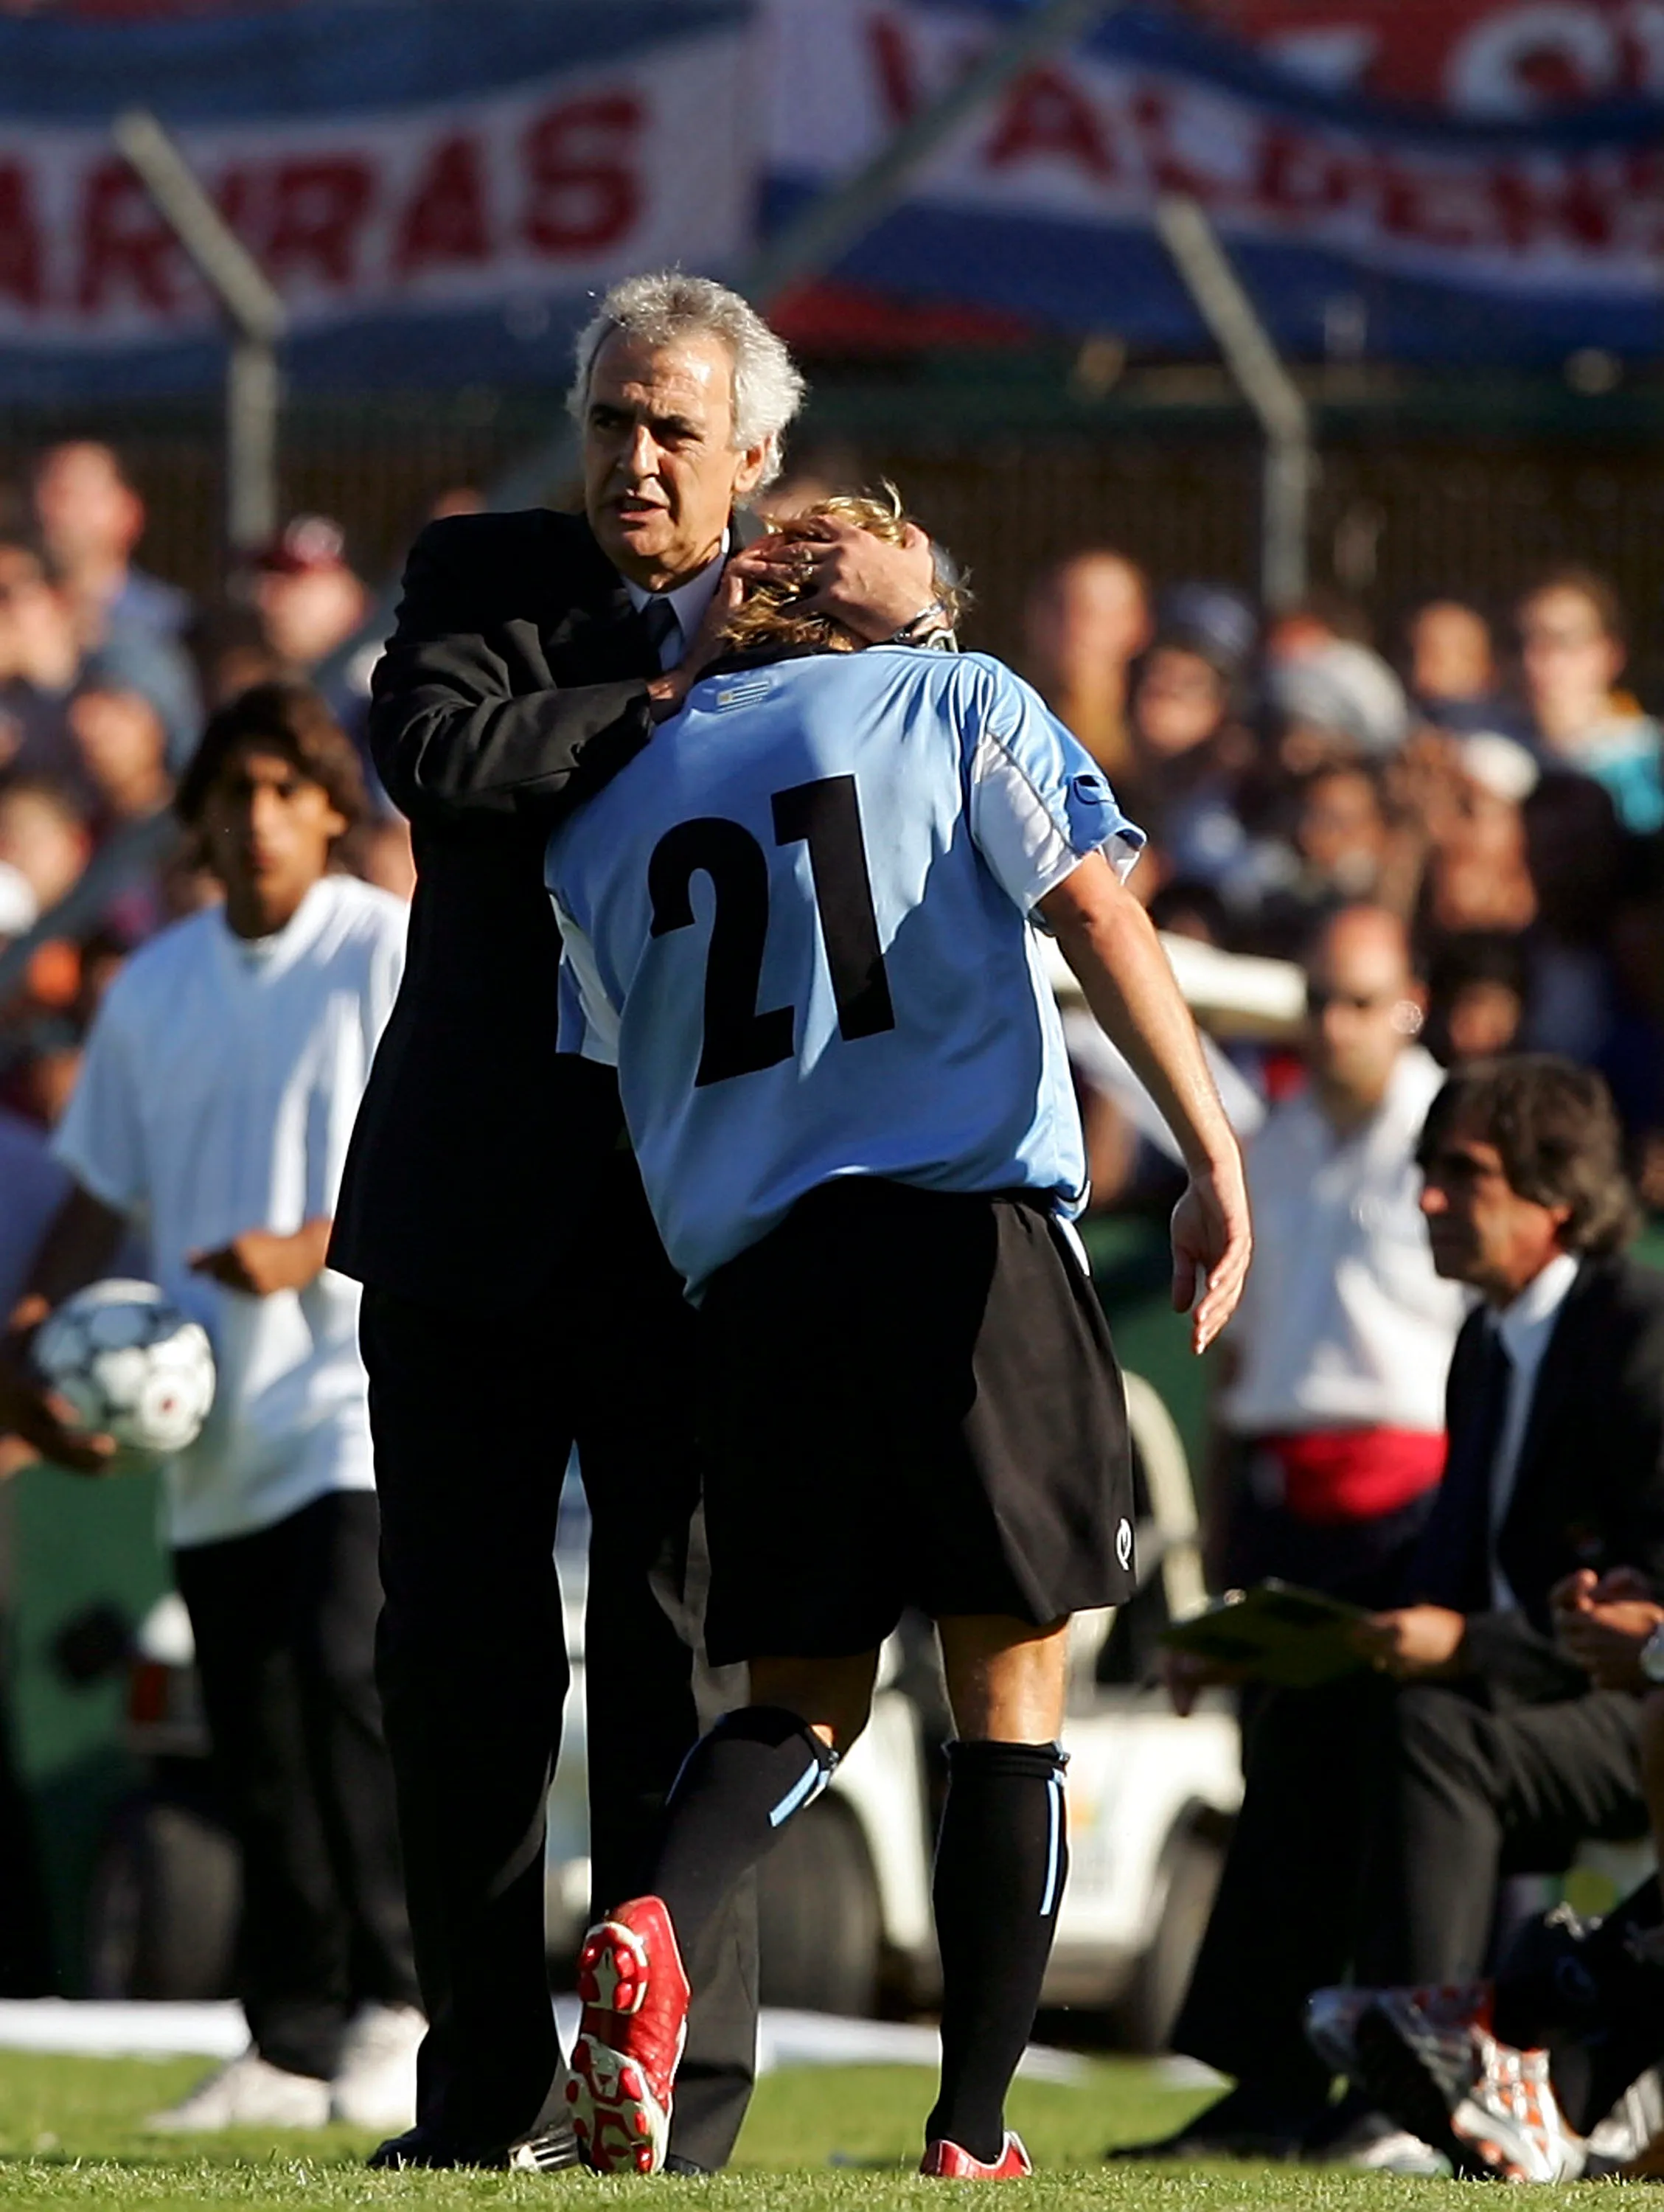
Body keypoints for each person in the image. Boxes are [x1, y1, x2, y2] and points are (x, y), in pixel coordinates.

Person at [545, 490, 1251, 2180]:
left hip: (762, 1283)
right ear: (869, 581)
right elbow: (1091, 910)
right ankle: (971, 2131)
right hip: (967, 1247)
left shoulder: (604, 818)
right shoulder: (958, 696)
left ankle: (651, 1907)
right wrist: (1213, 1148)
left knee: (798, 1694)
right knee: (1011, 1695)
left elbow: (606, 1077)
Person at [327, 270, 937, 2173]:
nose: (637, 457)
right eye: (612, 419)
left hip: (699, 1233)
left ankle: (685, 2107)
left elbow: (954, 775)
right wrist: (671, 697)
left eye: (678, 427)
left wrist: (896, 625)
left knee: (686, 1667)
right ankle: (478, 2091)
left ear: (760, 457)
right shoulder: (482, 579)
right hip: (468, 1220)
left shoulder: (824, 632)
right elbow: (437, 760)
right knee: (459, 1673)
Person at [0, 682, 422, 2131]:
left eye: (284, 791)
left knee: (347, 1684)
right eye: (231, 794)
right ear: (198, 821)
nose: (255, 819)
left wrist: (311, 1250)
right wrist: (34, 1334)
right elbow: (95, 1194)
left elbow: (452, 1149)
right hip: (210, 1425)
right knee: (251, 1725)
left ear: (329, 810)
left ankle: (402, 2008)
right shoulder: (158, 986)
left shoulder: (386, 952)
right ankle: (290, 2038)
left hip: (360, 1398)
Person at [1137, 1056, 1664, 2167]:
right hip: (1524, 1693)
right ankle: (1269, 2092)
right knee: (1312, 1706)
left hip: (1631, 1713)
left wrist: (1468, 1643)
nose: (1426, 1197)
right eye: (1423, 1169)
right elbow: (1442, 1568)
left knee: (1431, 1728)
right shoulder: (1486, 1340)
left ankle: (1421, 2090)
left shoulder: (1638, 1334)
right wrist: (1256, 1643)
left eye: (1460, 1175)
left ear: (1554, 1194)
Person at [1208, 907, 1466, 1608]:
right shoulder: (1267, 1147)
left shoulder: (1467, 1143)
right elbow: (1234, 1354)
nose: (1334, 1026)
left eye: (1360, 1002)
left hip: (1418, 1505)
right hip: (1279, 1503)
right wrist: (1215, 1528)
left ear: (1412, 1004)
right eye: (1319, 1001)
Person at [1517, 570, 1664, 835]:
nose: (1536, 657)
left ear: (1611, 654)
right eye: (1526, 639)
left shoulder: (1650, 760)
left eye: (1563, 640)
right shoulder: (1494, 756)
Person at [1022, 548, 1151, 777]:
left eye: (1097, 614)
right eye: (1061, 608)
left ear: (1138, 626)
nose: (1076, 627)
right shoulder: (994, 722)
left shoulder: (1160, 746)